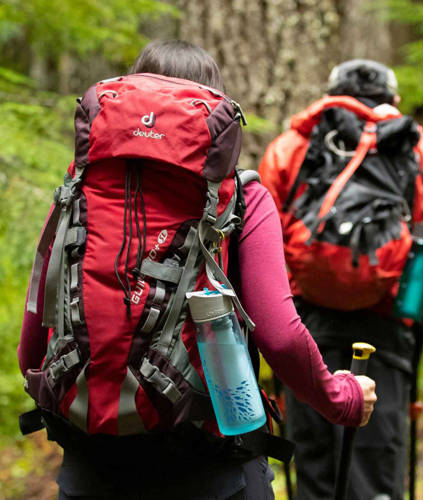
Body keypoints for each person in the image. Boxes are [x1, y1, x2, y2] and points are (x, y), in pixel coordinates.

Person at [18, 41, 376, 500]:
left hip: (90, 468)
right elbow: (281, 335)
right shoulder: (241, 198)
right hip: (210, 469)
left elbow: (33, 342)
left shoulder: (78, 192)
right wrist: (340, 398)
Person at [258, 59, 423, 500]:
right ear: (394, 100)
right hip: (388, 326)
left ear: (329, 96)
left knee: (315, 465)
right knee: (376, 469)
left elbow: (264, 250)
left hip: (306, 327)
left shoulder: (289, 148)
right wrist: (412, 330)